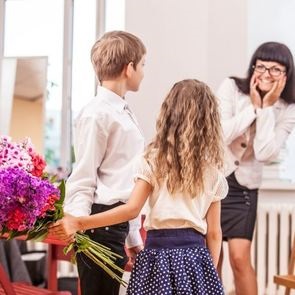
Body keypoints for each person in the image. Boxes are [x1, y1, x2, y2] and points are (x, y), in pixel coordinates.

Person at [50, 79, 229, 295]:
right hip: (195, 260)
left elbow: (131, 209)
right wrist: (208, 272)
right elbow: (215, 233)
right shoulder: (213, 172)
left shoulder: (152, 160)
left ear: (168, 115)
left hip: (157, 259)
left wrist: (81, 222)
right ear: (208, 122)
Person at [61, 30, 147, 295]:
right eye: (142, 65)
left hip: (116, 224)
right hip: (99, 225)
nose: (144, 72)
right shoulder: (97, 114)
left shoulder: (120, 111)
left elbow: (125, 180)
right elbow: (84, 175)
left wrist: (132, 235)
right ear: (128, 68)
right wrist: (76, 224)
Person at [216, 41, 295, 295]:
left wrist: (267, 109)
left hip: (245, 187)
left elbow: (264, 153)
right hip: (217, 181)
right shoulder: (231, 87)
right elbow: (221, 134)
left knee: (239, 259)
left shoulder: (288, 109)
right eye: (261, 66)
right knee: (212, 256)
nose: (266, 74)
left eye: (275, 70)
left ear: (286, 75)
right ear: (253, 67)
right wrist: (253, 107)